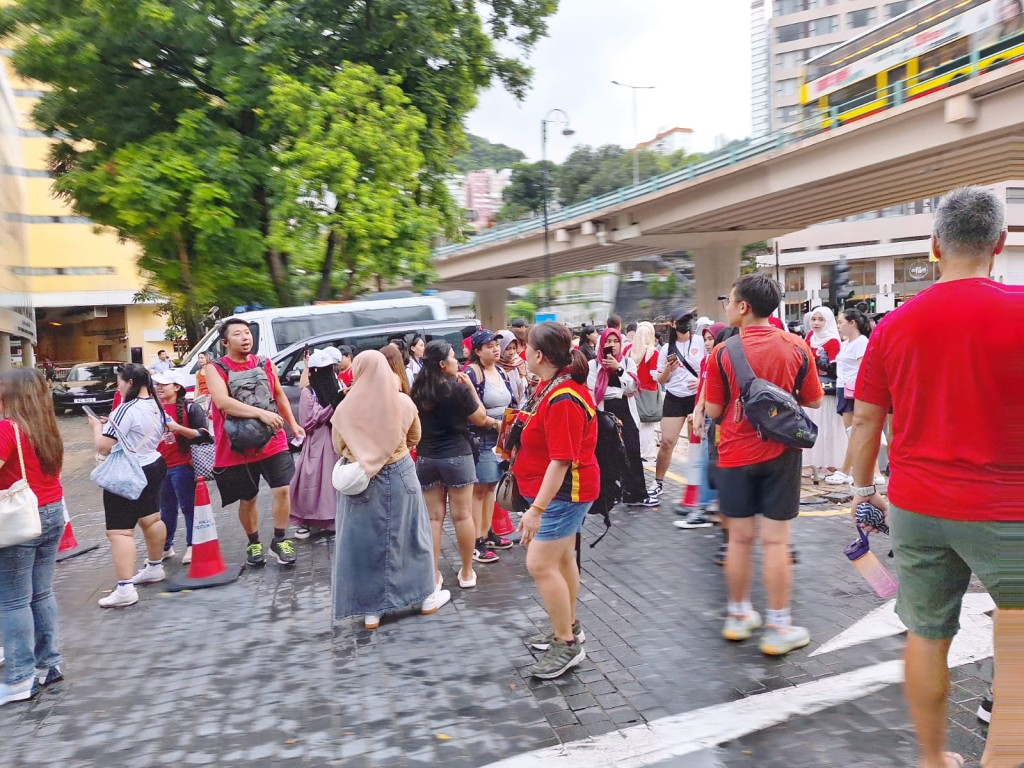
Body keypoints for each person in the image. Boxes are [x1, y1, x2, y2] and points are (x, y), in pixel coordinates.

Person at [848, 186, 1024, 768]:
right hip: (1008, 509)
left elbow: (867, 420)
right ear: (999, 243)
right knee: (1017, 639)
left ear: (934, 247)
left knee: (927, 634)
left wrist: (862, 491)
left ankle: (932, 758)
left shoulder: (894, 325)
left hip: (918, 506)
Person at [702, 274, 824, 656]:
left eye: (729, 299)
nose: (726, 305)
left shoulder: (722, 353)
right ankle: (778, 627)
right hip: (782, 456)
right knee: (776, 542)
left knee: (738, 539)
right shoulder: (797, 346)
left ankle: (739, 616)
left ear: (743, 307)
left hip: (734, 455)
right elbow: (815, 402)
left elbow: (713, 410)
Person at [330, 350, 450, 629]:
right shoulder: (403, 403)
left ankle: (373, 611)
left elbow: (338, 446)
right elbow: (415, 437)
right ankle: (425, 597)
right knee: (412, 536)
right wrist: (395, 450)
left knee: (368, 542)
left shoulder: (346, 408)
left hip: (361, 480)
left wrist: (365, 454)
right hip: (400, 474)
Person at [516, 322, 598, 679]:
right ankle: (568, 626)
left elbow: (561, 460)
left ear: (539, 355)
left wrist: (536, 511)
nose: (521, 354)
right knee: (562, 558)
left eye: (526, 348)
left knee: (539, 563)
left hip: (564, 494)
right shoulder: (553, 387)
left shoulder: (563, 397)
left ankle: (566, 643)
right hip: (561, 493)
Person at [205, 318, 304, 568]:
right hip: (237, 444)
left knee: (282, 489)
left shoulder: (264, 362)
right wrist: (260, 413)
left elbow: (278, 394)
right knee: (247, 498)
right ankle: (253, 542)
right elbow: (222, 402)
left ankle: (280, 539)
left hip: (273, 439)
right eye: (237, 334)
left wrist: (293, 424)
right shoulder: (215, 368)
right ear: (226, 342)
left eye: (247, 333)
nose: (245, 337)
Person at [0, 370, 65, 704]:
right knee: (40, 593)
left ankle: (18, 678)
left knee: (12, 601)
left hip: (21, 519)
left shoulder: (7, 428)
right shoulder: (47, 427)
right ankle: (49, 664)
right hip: (53, 511)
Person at [411, 340, 497, 591]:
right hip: (458, 456)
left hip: (427, 457)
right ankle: (467, 572)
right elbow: (480, 418)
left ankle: (434, 574)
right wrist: (470, 387)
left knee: (433, 519)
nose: (457, 361)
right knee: (463, 516)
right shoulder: (456, 390)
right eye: (453, 357)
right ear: (442, 364)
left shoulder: (417, 391)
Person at [88, 364, 171, 608]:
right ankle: (155, 567)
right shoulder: (156, 405)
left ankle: (125, 589)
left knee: (119, 531)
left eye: (120, 381)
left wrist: (96, 427)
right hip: (153, 464)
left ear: (131, 383)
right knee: (151, 519)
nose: (119, 386)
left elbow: (103, 446)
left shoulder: (125, 409)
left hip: (128, 471)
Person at [587, 327, 657, 507]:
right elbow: (595, 391)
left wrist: (618, 370)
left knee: (632, 453)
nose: (612, 345)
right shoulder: (593, 366)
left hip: (626, 415)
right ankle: (610, 495)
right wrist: (619, 392)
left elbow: (632, 388)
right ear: (602, 344)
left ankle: (636, 494)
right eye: (608, 342)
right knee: (606, 456)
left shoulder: (627, 363)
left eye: (615, 341)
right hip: (604, 417)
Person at [463, 329, 514, 561]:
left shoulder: (501, 371)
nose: (495, 348)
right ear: (477, 351)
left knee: (491, 485)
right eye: (489, 345)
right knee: (480, 489)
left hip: (500, 437)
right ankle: (477, 541)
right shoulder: (472, 374)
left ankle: (487, 532)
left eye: (496, 344)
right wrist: (494, 423)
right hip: (482, 437)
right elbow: (471, 410)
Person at [152, 368, 210, 565]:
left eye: (163, 384)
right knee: (166, 509)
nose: (158, 388)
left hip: (184, 465)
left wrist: (177, 428)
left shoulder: (191, 408)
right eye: (157, 384)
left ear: (177, 387)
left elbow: (204, 435)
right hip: (160, 467)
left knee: (188, 507)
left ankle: (193, 545)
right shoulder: (154, 408)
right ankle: (166, 546)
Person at [675, 322, 728, 531]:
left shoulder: (720, 360)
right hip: (706, 418)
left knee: (708, 464)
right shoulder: (708, 360)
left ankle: (706, 507)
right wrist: (697, 411)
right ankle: (709, 506)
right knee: (706, 463)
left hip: (716, 420)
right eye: (705, 339)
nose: (707, 343)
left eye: (710, 338)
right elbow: (703, 391)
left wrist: (701, 412)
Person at [652, 309, 705, 499]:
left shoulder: (700, 342)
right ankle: (658, 482)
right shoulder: (666, 349)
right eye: (682, 321)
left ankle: (696, 486)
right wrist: (668, 369)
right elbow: (661, 380)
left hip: (696, 398)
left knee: (696, 444)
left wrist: (701, 382)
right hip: (674, 398)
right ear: (673, 324)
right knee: (666, 442)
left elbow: (710, 369)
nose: (686, 324)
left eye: (688, 321)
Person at [289, 350, 343, 539]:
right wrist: (332, 406)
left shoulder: (336, 387)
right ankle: (307, 520)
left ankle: (333, 518)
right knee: (313, 482)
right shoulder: (308, 392)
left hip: (334, 440)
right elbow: (309, 421)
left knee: (332, 482)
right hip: (317, 444)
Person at [823, 309, 880, 486]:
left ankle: (846, 470)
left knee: (854, 433)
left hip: (852, 391)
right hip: (844, 388)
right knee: (854, 433)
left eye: (841, 322)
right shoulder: (848, 342)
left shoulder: (861, 342)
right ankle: (872, 471)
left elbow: (863, 370)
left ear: (852, 323)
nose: (838, 326)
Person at [803, 306, 846, 481]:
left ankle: (830, 464)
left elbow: (836, 368)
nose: (816, 323)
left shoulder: (833, 342)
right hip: (810, 391)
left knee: (827, 428)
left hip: (827, 393)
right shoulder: (809, 338)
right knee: (811, 427)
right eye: (814, 319)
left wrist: (815, 362)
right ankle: (812, 463)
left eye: (821, 319)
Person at [630, 321, 661, 464]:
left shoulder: (630, 351)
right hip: (649, 391)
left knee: (638, 423)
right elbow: (655, 374)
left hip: (634, 391)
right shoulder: (652, 351)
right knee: (648, 425)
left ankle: (638, 453)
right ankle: (648, 455)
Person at [495, 330, 527, 404]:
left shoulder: (516, 362)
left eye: (514, 348)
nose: (511, 352)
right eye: (507, 349)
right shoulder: (494, 366)